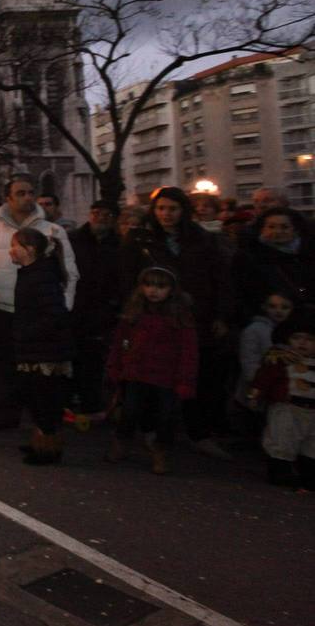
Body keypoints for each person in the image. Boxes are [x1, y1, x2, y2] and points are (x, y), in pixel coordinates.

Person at [121, 186, 233, 458]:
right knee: (152, 375)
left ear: (183, 211)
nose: (166, 214)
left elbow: (220, 279)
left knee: (197, 375)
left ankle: (199, 432)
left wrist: (221, 314)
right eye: (161, 208)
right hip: (154, 317)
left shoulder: (202, 239)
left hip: (194, 316)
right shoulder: (141, 239)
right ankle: (152, 431)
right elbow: (126, 278)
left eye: (172, 209)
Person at [0, 174, 78, 430]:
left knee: (37, 371)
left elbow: (70, 272)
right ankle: (4, 416)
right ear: (8, 198)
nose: (27, 197)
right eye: (20, 193)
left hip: (39, 314)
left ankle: (41, 425)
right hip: (3, 310)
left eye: (30, 192)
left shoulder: (52, 231)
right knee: (3, 368)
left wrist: (65, 307)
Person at [105, 267, 199, 475]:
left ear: (171, 290)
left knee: (165, 416)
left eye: (160, 286)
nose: (153, 291)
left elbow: (188, 352)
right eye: (148, 285)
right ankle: (122, 442)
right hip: (136, 372)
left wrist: (185, 380)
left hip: (166, 375)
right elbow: (119, 343)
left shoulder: (180, 317)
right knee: (129, 411)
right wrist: (115, 367)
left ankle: (160, 450)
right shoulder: (134, 312)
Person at [9, 227, 75, 465]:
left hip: (45, 350)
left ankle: (49, 449)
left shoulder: (42, 275)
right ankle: (41, 439)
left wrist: (28, 332)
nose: (11, 250)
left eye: (15, 245)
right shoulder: (30, 272)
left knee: (45, 399)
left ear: (30, 250)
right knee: (35, 397)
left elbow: (54, 314)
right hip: (34, 347)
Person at [247, 308, 315, 488]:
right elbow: (264, 378)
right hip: (287, 407)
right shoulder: (280, 359)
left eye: (309, 339)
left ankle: (308, 474)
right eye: (297, 338)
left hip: (311, 410)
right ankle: (280, 472)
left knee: (311, 444)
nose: (302, 343)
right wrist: (255, 394)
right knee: (283, 439)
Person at [67, 200, 122, 419]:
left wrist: (113, 304)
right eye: (96, 213)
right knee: (72, 356)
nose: (100, 217)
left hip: (102, 310)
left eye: (106, 214)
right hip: (76, 307)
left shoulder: (119, 245)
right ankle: (70, 400)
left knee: (93, 360)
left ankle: (91, 402)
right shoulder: (73, 240)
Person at [231, 207, 315, 322]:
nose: (277, 231)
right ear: (262, 229)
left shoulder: (307, 254)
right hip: (264, 319)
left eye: (284, 227)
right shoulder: (248, 256)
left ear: (296, 230)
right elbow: (239, 291)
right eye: (271, 227)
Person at [236, 292, 294, 427]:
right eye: (273, 306)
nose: (279, 311)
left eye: (284, 307)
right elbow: (249, 362)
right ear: (264, 307)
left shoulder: (293, 331)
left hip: (282, 392)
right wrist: (259, 387)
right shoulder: (254, 330)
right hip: (259, 391)